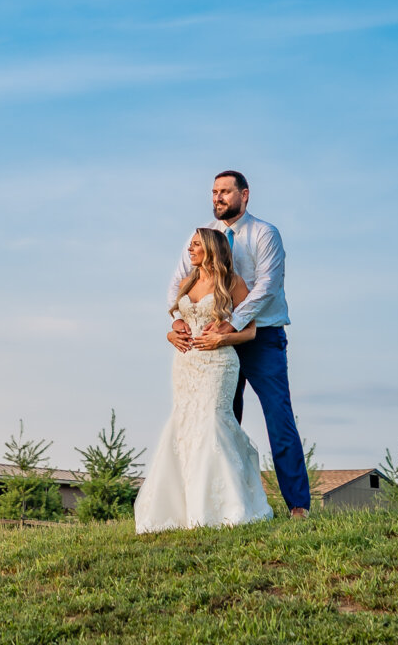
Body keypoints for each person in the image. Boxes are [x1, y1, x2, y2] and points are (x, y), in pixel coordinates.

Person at [164, 170, 311, 518]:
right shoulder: (201, 237)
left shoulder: (264, 234)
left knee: (279, 418)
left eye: (226, 192)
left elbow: (267, 286)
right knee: (221, 420)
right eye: (214, 192)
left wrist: (232, 323)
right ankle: (227, 505)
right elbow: (177, 285)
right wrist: (177, 321)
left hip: (261, 338)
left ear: (245, 195)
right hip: (213, 349)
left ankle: (298, 506)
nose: (218, 198)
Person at [133, 226, 275, 532]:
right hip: (185, 365)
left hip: (218, 364)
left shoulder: (232, 283)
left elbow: (250, 331)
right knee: (184, 426)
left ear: (211, 248)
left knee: (212, 422)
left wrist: (221, 341)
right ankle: (185, 511)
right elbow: (177, 320)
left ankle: (224, 506)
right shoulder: (187, 282)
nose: (190, 249)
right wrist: (172, 331)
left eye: (196, 245)